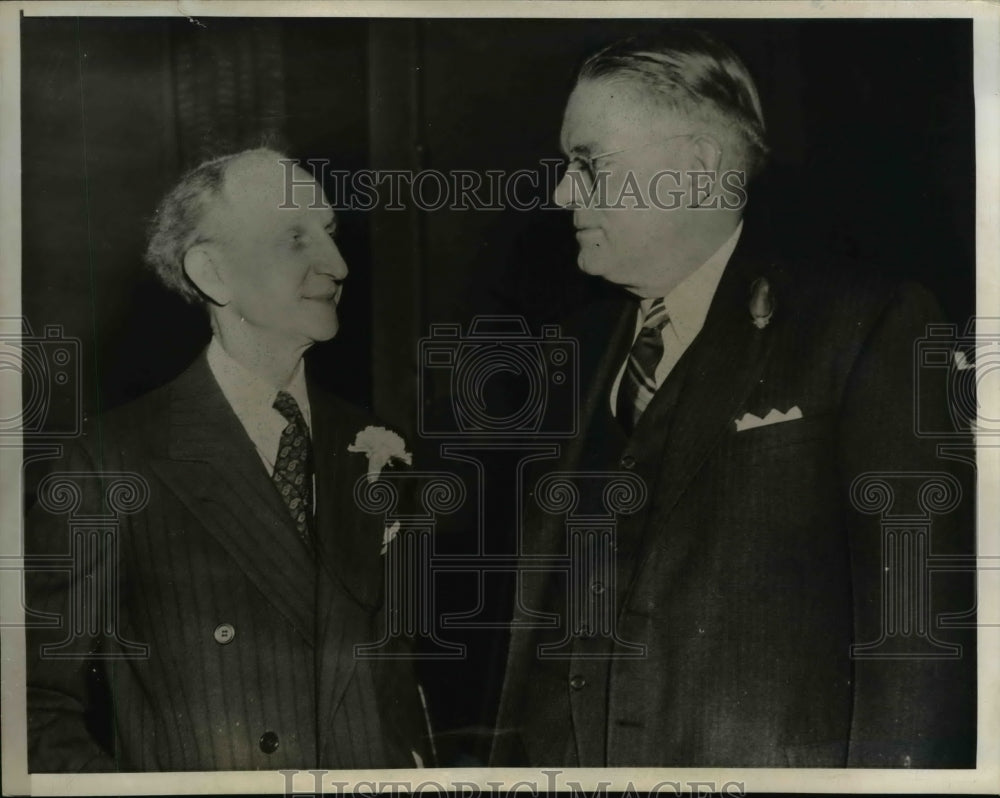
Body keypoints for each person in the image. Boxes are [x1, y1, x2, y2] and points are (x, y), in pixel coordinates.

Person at [491, 29, 976, 768]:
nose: (562, 192)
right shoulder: (573, 350)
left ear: (698, 167)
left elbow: (917, 638)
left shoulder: (864, 326)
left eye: (587, 163)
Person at [25, 148, 429, 771]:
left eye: (330, 233)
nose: (337, 264)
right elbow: (32, 701)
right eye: (295, 237)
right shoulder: (110, 465)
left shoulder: (373, 441)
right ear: (213, 273)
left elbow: (398, 681)